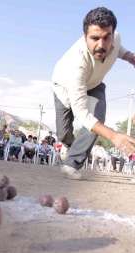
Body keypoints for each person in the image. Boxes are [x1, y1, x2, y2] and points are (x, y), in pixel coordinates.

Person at [52, 7, 135, 179]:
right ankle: (70, 145)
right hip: (64, 88)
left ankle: (72, 164)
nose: (101, 45)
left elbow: (118, 49)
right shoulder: (77, 63)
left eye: (106, 38)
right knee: (63, 133)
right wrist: (114, 137)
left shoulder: (116, 39)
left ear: (112, 34)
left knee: (97, 121)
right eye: (95, 38)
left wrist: (130, 57)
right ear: (85, 37)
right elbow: (82, 113)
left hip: (95, 84)